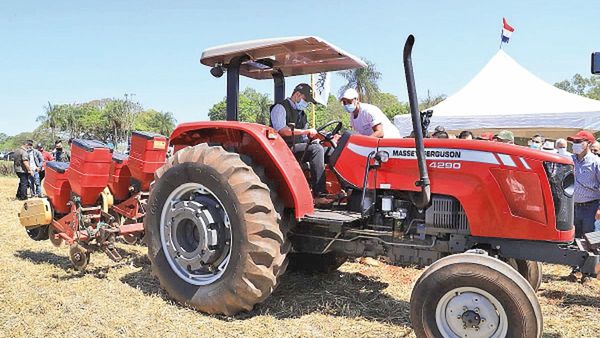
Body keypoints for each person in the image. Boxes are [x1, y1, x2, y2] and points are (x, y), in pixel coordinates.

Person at [270, 83, 331, 205]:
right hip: (283, 149)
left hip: (298, 146)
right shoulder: (280, 108)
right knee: (316, 150)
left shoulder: (302, 114)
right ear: (297, 95)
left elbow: (304, 137)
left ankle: (346, 189)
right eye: (305, 100)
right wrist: (306, 131)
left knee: (329, 149)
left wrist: (314, 139)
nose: (306, 104)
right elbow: (282, 130)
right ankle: (319, 194)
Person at [567, 131, 600, 239]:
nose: (575, 144)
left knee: (590, 239)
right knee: (573, 238)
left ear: (589, 143)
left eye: (578, 141)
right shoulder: (569, 160)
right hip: (572, 206)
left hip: (591, 208)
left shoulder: (596, 162)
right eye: (574, 141)